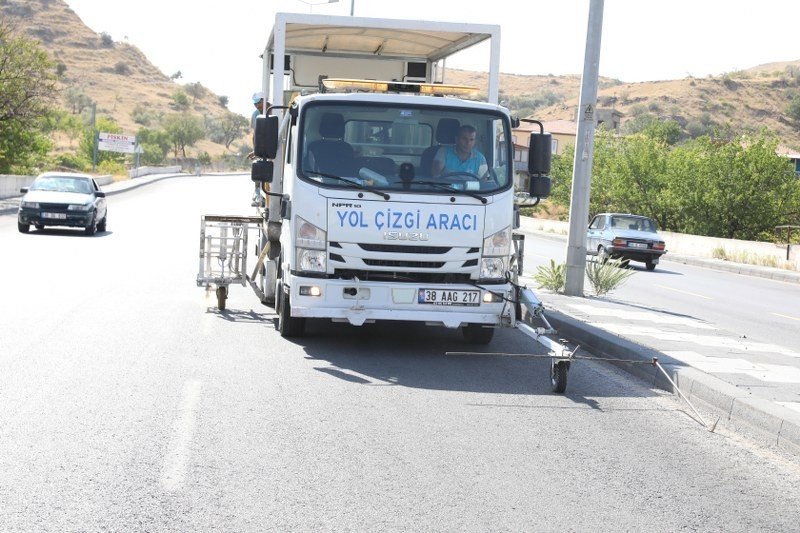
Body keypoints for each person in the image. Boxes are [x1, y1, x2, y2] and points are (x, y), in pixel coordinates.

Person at [249, 92, 271, 206]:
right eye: (255, 103)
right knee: (257, 166)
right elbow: (255, 134)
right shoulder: (255, 115)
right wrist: (256, 150)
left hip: (275, 148)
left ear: (265, 100)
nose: (256, 105)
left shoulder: (275, 110)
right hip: (262, 148)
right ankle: (258, 193)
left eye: (258, 102)